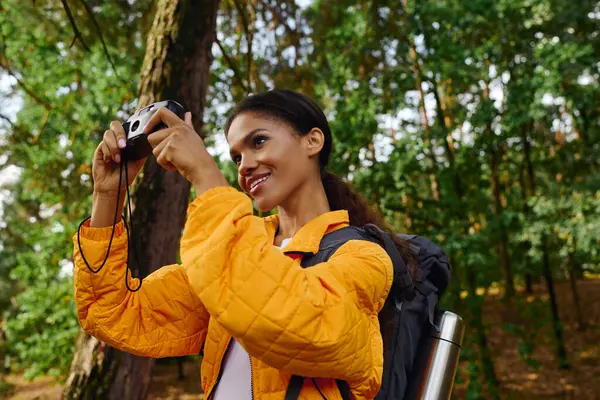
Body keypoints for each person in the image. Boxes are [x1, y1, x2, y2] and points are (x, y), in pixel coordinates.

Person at [73, 89, 417, 399]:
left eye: (258, 142)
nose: (245, 166)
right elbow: (112, 312)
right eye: (236, 157)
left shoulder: (364, 257)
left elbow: (293, 322)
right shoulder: (237, 250)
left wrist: (206, 176)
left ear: (312, 141)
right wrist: (107, 195)